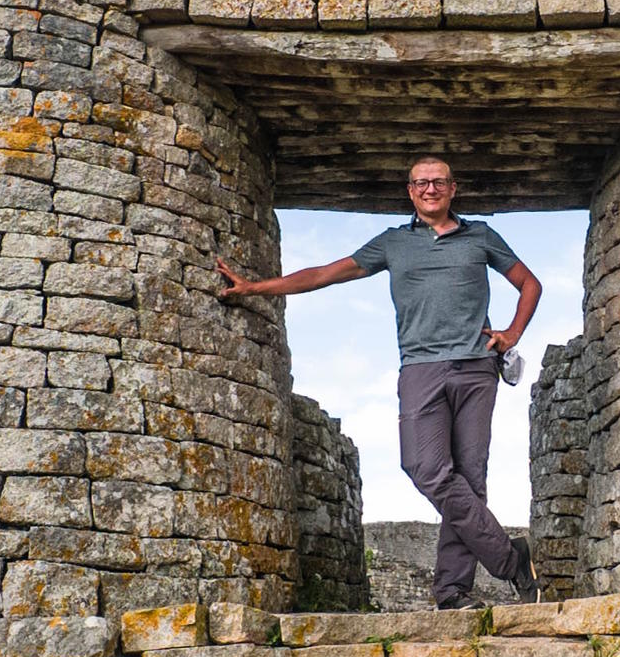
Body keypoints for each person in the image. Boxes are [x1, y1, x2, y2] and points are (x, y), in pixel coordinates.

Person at [216, 155, 544, 609]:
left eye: (439, 181)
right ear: (410, 191)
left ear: (453, 188)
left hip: (476, 369)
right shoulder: (392, 243)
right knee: (425, 468)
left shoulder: (481, 236)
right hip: (420, 370)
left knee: (469, 480)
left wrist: (512, 333)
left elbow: (529, 283)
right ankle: (510, 559)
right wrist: (254, 287)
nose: (430, 189)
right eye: (421, 183)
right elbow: (323, 274)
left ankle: (453, 592)